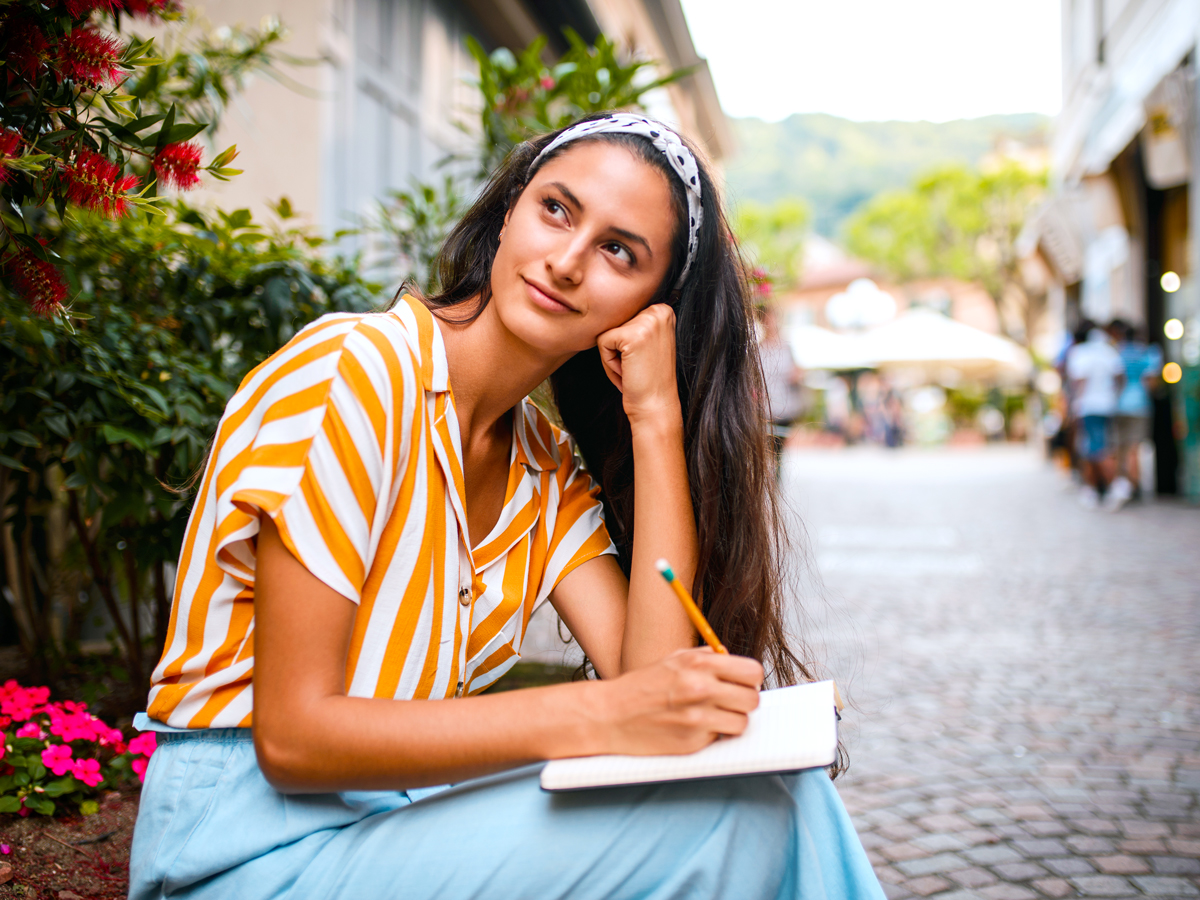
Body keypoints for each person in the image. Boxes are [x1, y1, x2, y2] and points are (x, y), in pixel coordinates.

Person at [128, 113, 884, 900]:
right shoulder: (353, 375)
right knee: (745, 816)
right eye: (556, 209)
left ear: (651, 307)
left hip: (391, 833)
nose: (565, 262)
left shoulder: (542, 469)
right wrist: (603, 711)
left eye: (618, 251)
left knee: (777, 795)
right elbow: (294, 738)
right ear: (510, 211)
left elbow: (652, 684)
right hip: (241, 854)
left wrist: (657, 419)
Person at [1065, 320, 1125, 508]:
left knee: (1095, 448)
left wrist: (1073, 407)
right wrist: (1113, 395)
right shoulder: (1108, 351)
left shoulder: (1079, 353)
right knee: (1094, 447)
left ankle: (1115, 485)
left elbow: (1079, 381)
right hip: (1107, 406)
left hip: (1088, 407)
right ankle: (1092, 490)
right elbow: (1120, 377)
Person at [1107, 318, 1162, 510]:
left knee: (1120, 448)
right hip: (1140, 405)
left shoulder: (1118, 352)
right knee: (1134, 448)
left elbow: (1116, 379)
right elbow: (1152, 382)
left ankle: (1123, 484)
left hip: (1120, 405)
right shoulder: (1148, 353)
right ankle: (1133, 486)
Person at [757, 304, 804, 471]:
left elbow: (798, 371)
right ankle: (768, 479)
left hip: (785, 406)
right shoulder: (758, 349)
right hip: (764, 407)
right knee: (765, 448)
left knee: (778, 449)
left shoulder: (787, 348)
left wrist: (796, 375)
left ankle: (775, 482)